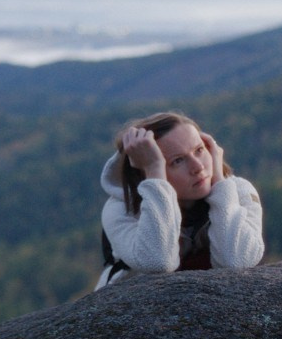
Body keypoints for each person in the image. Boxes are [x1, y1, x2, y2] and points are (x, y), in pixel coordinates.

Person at [93, 112, 263, 290]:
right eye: (177, 161)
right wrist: (154, 174)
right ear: (144, 170)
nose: (198, 167)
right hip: (135, 307)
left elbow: (237, 261)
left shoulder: (238, 191)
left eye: (199, 150)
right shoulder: (122, 208)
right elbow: (158, 262)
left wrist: (220, 183)